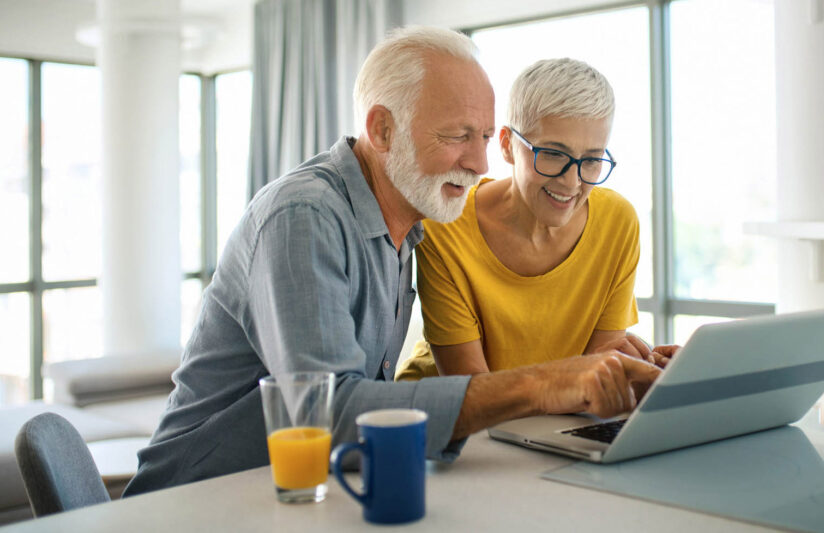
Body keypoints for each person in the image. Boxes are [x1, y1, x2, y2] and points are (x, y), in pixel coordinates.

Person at [123, 26, 660, 496]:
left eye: (480, 137)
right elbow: (330, 416)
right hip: (198, 502)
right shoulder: (305, 216)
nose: (477, 164)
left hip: (307, 493)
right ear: (382, 130)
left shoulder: (409, 224)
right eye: (456, 136)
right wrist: (543, 383)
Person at [397, 58, 676, 381]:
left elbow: (597, 379)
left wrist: (653, 374)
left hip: (549, 423)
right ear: (506, 145)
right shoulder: (447, 224)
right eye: (553, 154)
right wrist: (584, 382)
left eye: (591, 160)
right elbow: (470, 391)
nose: (572, 182)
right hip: (444, 423)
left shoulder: (617, 222)